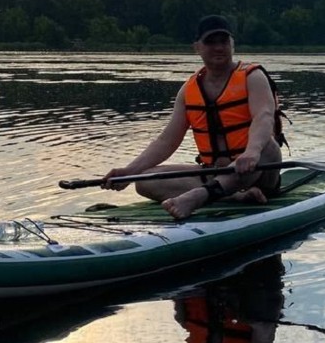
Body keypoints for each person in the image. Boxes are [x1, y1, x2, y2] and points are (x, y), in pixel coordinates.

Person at [101, 14, 286, 219]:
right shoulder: (188, 90)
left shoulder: (253, 77)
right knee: (144, 180)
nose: (218, 47)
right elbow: (166, 141)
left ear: (232, 44)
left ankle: (199, 197)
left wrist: (251, 151)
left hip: (257, 172)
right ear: (197, 47)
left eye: (223, 41)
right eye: (210, 42)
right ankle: (234, 197)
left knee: (268, 147)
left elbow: (264, 116)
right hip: (213, 173)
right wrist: (129, 172)